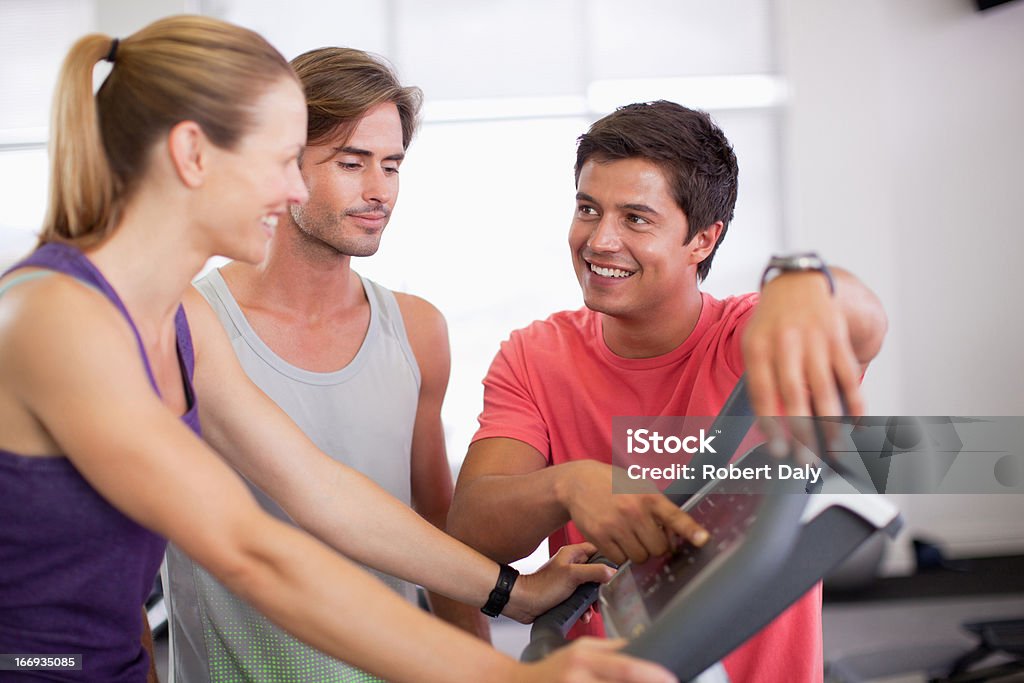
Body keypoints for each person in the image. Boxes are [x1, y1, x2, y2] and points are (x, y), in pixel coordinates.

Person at [0, 17, 682, 683]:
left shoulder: (179, 322)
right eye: (279, 161)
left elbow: (322, 491)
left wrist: (511, 591)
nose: (296, 188)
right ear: (192, 153)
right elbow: (250, 548)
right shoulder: (56, 318)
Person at [447, 101, 889, 682]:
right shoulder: (536, 354)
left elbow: (861, 323)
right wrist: (569, 484)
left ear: (703, 239)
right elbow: (473, 529)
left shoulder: (752, 339)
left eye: (636, 218)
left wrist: (804, 281)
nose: (600, 240)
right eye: (588, 209)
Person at [162, 47, 488, 681]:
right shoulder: (184, 324)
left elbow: (438, 531)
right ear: (282, 164)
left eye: (391, 166)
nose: (379, 191)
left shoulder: (418, 330)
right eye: (351, 163)